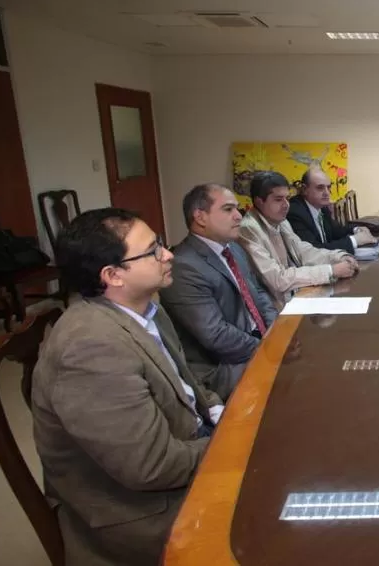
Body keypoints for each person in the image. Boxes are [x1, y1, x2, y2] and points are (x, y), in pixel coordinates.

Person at [31, 208, 223, 566]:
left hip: (182, 455)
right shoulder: (90, 348)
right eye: (153, 250)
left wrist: (219, 410)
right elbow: (152, 467)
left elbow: (189, 384)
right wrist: (233, 445)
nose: (168, 254)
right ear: (113, 275)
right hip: (141, 512)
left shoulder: (147, 308)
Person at [160, 183, 278, 400]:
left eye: (237, 209)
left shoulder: (234, 248)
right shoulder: (184, 266)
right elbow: (215, 335)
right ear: (200, 217)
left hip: (255, 339)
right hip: (222, 366)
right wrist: (268, 348)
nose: (238, 216)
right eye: (228, 209)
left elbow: (258, 293)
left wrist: (276, 329)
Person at [239, 170, 357, 308]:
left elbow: (303, 251)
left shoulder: (280, 220)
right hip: (276, 309)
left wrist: (339, 256)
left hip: (298, 297)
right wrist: (331, 271)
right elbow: (278, 279)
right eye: (278, 199)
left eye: (287, 198)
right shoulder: (248, 230)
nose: (286, 205)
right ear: (259, 202)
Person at [287, 166, 376, 253]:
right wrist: (355, 240)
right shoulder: (295, 212)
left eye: (329, 187)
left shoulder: (322, 207)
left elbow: (337, 231)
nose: (327, 193)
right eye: (320, 188)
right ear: (304, 189)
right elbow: (314, 251)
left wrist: (357, 229)